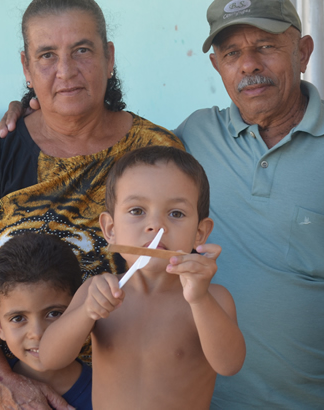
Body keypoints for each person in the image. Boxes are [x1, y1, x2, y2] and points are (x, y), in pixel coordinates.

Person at [0, 0, 324, 409]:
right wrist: (31, 117)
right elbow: (124, 161)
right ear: (216, 65)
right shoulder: (192, 138)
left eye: (266, 46)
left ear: (303, 51)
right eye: (232, 53)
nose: (249, 65)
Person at [0, 0, 183, 410]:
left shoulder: (156, 153)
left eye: (82, 50)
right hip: (4, 391)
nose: (65, 71)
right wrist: (4, 386)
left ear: (109, 57)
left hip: (128, 391)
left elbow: (177, 283)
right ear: (26, 68)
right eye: (47, 55)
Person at [39, 146, 245, 408]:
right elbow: (50, 358)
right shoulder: (97, 291)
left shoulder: (213, 298)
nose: (156, 226)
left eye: (176, 213)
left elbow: (230, 365)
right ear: (110, 229)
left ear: (199, 233)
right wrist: (86, 312)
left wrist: (200, 299)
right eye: (137, 210)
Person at [0, 233, 92, 410]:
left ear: (78, 311)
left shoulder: (106, 388)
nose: (37, 333)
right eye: (18, 318)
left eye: (54, 314)